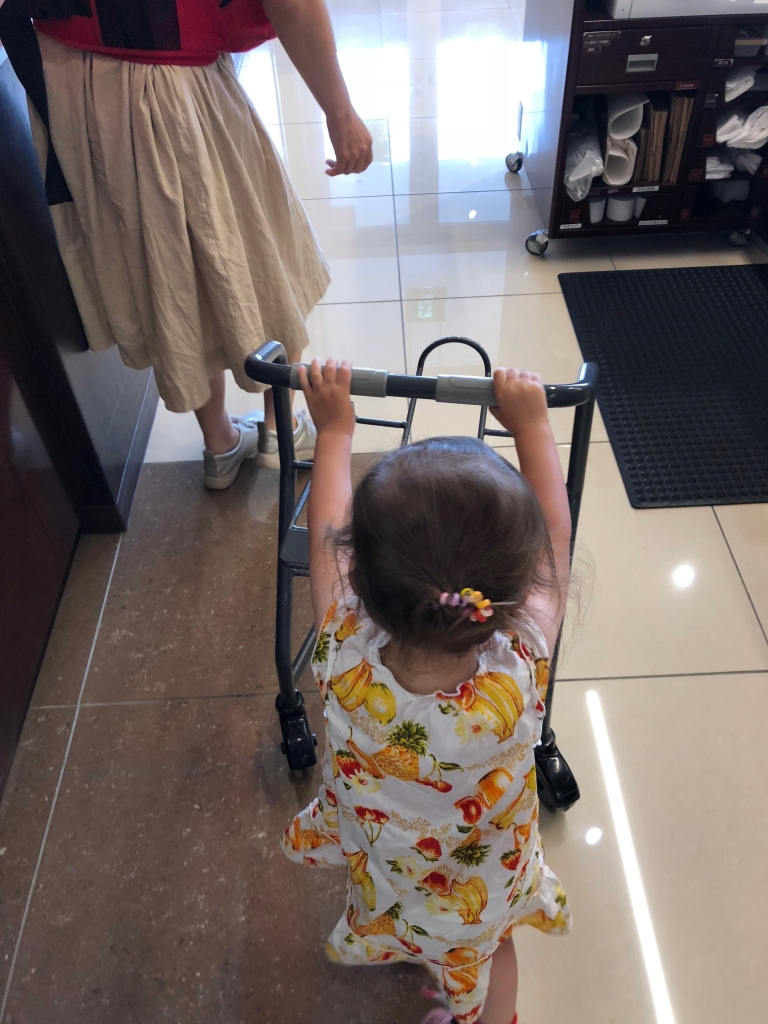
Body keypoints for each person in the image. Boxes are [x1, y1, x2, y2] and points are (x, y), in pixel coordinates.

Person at [282, 359, 573, 1024]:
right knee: (492, 950)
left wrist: (335, 430)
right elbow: (555, 536)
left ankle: (423, 945)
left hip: (391, 863)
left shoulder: (342, 653)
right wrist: (532, 427)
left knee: (418, 920)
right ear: (509, 592)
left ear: (361, 578)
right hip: (487, 876)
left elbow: (323, 539)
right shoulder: (521, 661)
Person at [17, 0, 372, 488]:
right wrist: (340, 111)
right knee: (252, 250)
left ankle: (220, 444)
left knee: (165, 265)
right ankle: (280, 430)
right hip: (173, 78)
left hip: (71, 81)